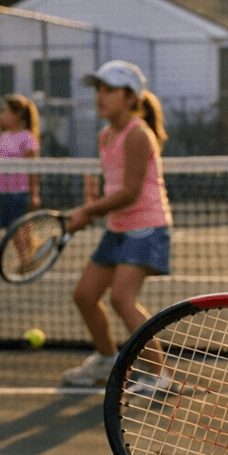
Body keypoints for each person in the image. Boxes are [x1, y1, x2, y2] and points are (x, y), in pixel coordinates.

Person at [60, 61, 173, 388]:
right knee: (84, 295)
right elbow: (113, 184)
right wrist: (92, 203)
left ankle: (159, 375)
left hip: (147, 227)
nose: (101, 96)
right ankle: (108, 360)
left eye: (110, 90)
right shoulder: (105, 136)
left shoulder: (139, 134)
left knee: (121, 298)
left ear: (130, 98)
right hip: (118, 227)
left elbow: (130, 191)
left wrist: (88, 212)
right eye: (99, 89)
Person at [0, 92, 42, 233]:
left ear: (18, 115)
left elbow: (33, 169)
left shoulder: (27, 138)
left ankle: (29, 255)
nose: (1, 116)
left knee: (20, 233)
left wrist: (34, 194)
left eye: (5, 112)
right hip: (2, 193)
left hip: (20, 194)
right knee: (5, 232)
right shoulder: (2, 137)